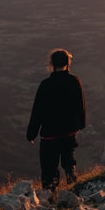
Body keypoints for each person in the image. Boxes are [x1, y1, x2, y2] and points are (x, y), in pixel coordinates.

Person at [27, 49, 87, 193]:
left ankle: (50, 193)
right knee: (68, 155)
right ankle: (72, 179)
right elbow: (81, 105)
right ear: (68, 63)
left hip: (50, 132)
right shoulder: (74, 80)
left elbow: (38, 111)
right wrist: (81, 124)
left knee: (49, 165)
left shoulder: (46, 85)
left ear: (51, 64)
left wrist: (31, 133)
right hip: (69, 129)